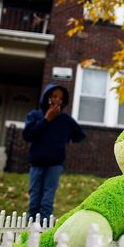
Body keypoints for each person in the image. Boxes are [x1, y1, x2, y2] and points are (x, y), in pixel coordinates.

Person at [23, 83, 85, 223]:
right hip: (37, 163)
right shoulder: (35, 115)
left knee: (47, 202)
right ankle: (28, 233)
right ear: (47, 97)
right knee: (34, 200)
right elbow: (27, 136)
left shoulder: (65, 120)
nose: (57, 100)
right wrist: (46, 120)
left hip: (55, 164)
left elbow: (80, 134)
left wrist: (65, 139)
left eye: (60, 98)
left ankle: (43, 235)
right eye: (54, 96)